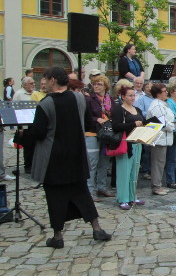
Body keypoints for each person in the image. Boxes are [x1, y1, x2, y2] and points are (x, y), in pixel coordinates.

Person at [31, 67, 111, 249]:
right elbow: (88, 122)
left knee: (55, 197)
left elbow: (39, 132)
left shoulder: (45, 104)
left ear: (52, 80)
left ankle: (58, 236)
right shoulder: (79, 98)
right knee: (82, 193)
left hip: (54, 159)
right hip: (76, 154)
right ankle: (97, 228)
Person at [112, 86, 145, 210]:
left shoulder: (137, 109)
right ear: (123, 96)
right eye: (130, 95)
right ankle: (123, 198)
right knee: (124, 172)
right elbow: (116, 126)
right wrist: (132, 124)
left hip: (137, 142)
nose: (132, 97)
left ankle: (132, 196)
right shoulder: (119, 110)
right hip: (126, 143)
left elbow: (143, 121)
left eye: (133, 95)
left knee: (134, 173)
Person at [84, 75, 116, 201]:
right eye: (94, 84)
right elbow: (85, 117)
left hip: (106, 134)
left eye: (99, 84)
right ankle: (89, 190)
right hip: (92, 133)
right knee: (92, 163)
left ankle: (101, 187)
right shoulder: (89, 99)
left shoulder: (110, 99)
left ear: (105, 86)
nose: (96, 86)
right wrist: (97, 119)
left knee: (104, 161)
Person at [146, 83, 176, 195]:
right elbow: (161, 122)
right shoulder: (156, 106)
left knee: (160, 162)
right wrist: (173, 126)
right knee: (157, 163)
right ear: (158, 94)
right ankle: (156, 186)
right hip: (159, 138)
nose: (166, 93)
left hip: (164, 137)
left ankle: (158, 184)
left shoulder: (162, 104)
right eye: (164, 91)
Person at [134, 81, 154, 180]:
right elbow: (140, 111)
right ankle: (145, 170)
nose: (149, 89)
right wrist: (151, 114)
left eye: (151, 87)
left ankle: (152, 170)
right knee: (147, 150)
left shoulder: (155, 99)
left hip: (156, 125)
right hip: (147, 125)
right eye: (147, 87)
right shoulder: (142, 99)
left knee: (153, 150)